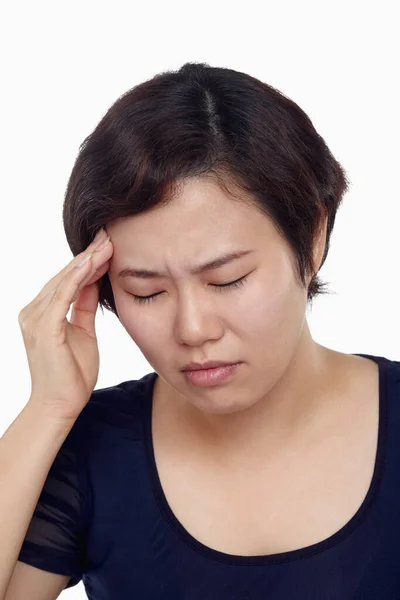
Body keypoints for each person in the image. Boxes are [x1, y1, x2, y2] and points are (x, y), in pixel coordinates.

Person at [1, 62, 398, 599]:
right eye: (147, 291)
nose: (192, 329)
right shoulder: (90, 450)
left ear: (312, 239)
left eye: (228, 280)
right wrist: (46, 409)